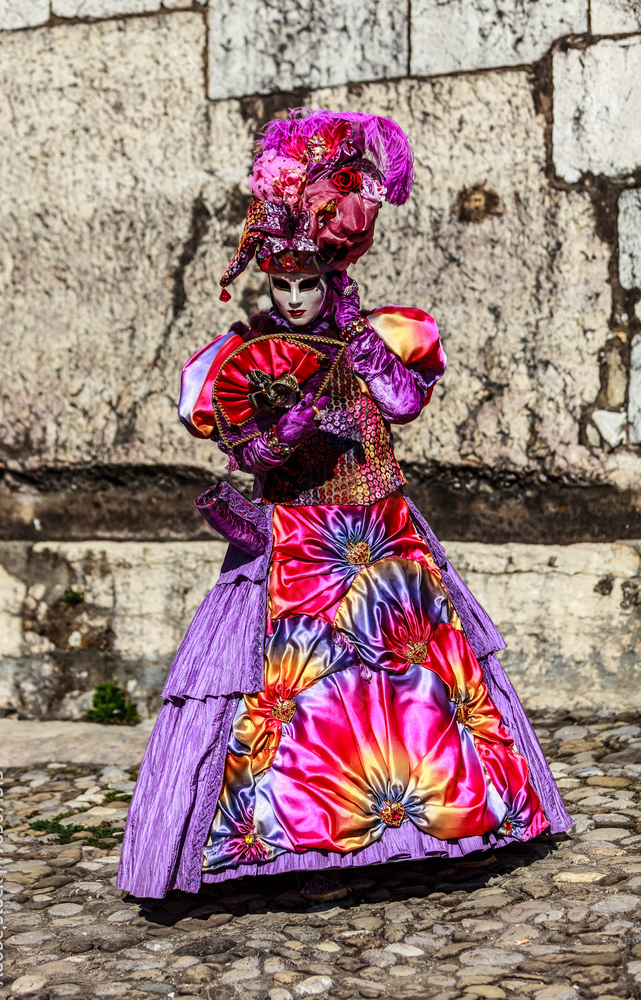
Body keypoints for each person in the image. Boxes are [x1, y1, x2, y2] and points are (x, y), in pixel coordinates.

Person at [117, 108, 570, 902]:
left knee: (408, 678)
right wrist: (288, 427)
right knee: (292, 694)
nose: (292, 300)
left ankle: (429, 828)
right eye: (280, 285)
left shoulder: (375, 332)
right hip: (291, 537)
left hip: (380, 530)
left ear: (333, 273)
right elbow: (244, 454)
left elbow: (400, 405)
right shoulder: (243, 353)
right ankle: (296, 845)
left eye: (307, 284)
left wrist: (361, 347)